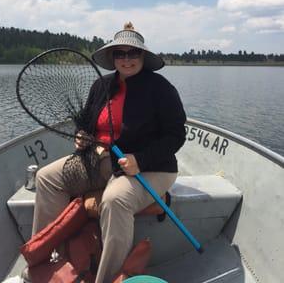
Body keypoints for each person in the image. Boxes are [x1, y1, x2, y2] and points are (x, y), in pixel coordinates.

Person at [25, 22, 186, 283]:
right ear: (113, 58)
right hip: (100, 159)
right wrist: (81, 136)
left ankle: (108, 278)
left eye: (132, 53)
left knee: (115, 200)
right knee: (46, 177)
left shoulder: (161, 89)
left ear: (142, 56)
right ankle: (47, 262)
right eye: (120, 54)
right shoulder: (101, 87)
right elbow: (87, 123)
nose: (126, 59)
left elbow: (176, 136)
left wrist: (140, 159)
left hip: (152, 167)